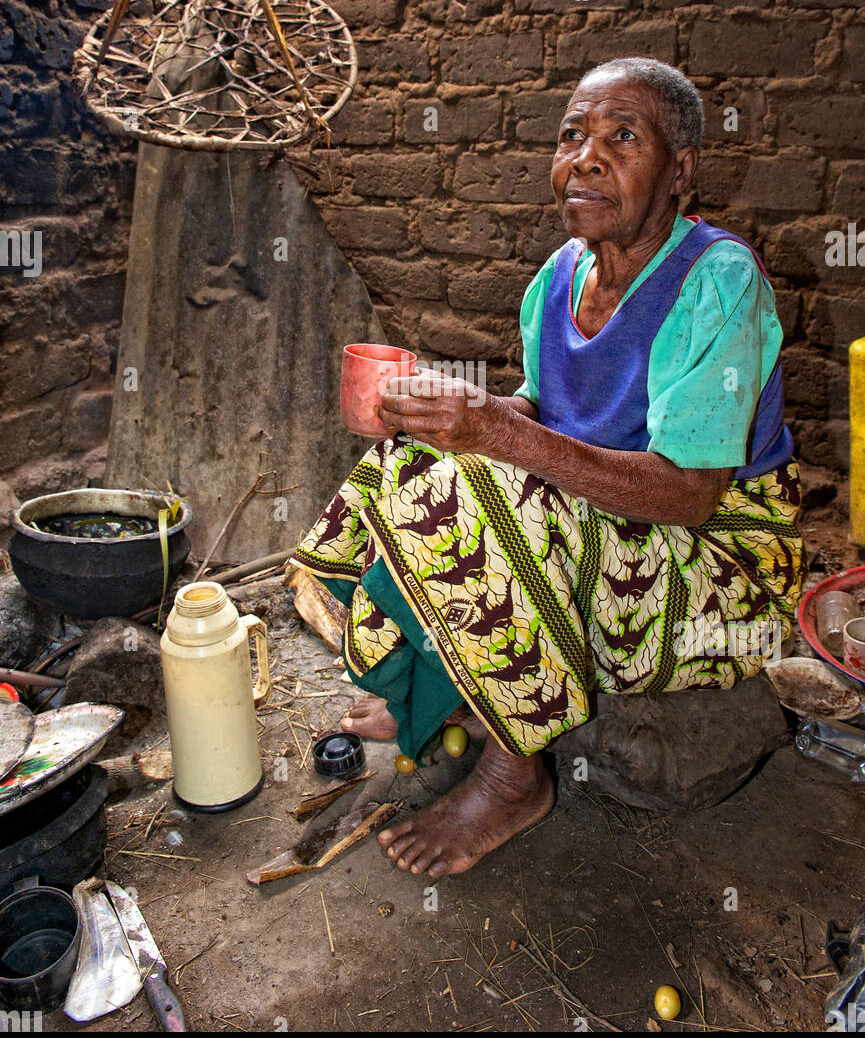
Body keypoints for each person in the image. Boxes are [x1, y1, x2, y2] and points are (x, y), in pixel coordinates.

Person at [290, 57, 807, 879]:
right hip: (613, 522)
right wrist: (447, 419)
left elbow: (689, 494)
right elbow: (541, 409)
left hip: (719, 565)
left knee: (473, 494)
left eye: (622, 138)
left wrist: (496, 433)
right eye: (571, 136)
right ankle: (428, 682)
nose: (585, 158)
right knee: (408, 463)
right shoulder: (559, 275)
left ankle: (512, 777)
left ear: (682, 171)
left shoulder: (716, 280)